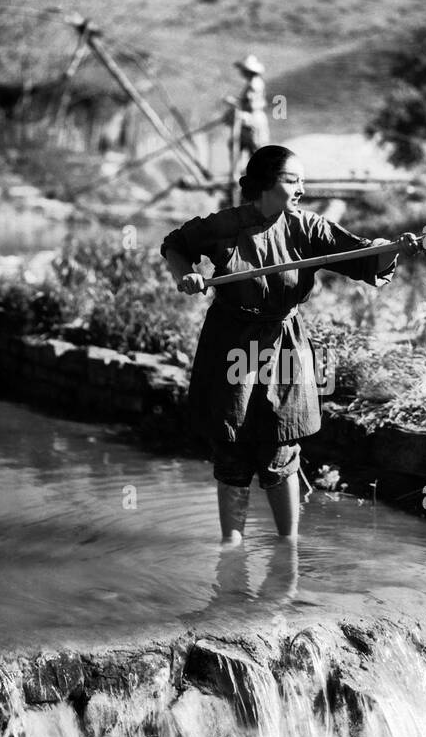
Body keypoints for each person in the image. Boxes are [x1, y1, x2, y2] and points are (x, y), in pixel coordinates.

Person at [161, 145, 401, 545]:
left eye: (303, 181)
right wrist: (186, 275)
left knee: (280, 444)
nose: (302, 188)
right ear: (266, 184)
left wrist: (392, 249)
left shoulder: (308, 228)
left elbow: (362, 256)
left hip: (283, 343)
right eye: (294, 181)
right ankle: (231, 550)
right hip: (230, 342)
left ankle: (288, 547)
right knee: (231, 446)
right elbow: (175, 244)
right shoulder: (225, 225)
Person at [224, 55, 269, 190]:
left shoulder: (255, 84)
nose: (241, 72)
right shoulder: (252, 83)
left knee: (253, 149)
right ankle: (239, 174)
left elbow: (251, 105)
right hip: (249, 121)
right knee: (236, 146)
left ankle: (256, 178)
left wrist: (233, 103)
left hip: (252, 121)